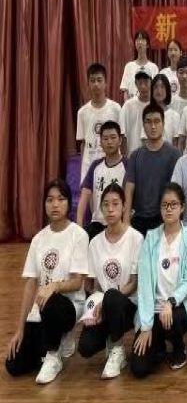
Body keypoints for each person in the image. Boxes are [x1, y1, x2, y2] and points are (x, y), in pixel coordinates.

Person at [5, 179, 89, 384]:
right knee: (14, 364)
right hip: (41, 308)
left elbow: (77, 283)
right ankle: (50, 346)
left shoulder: (78, 235)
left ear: (69, 203)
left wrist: (54, 286)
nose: (55, 204)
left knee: (52, 302)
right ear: (44, 204)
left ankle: (54, 354)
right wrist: (20, 329)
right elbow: (30, 285)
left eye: (61, 199)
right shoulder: (38, 239)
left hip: (70, 306)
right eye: (50, 200)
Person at [131, 183, 187, 376]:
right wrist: (146, 326)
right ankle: (158, 343)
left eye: (174, 204)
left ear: (182, 207)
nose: (169, 209)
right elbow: (144, 283)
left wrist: (170, 302)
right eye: (164, 205)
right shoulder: (151, 238)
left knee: (173, 318)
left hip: (177, 307)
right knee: (139, 368)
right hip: (153, 311)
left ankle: (179, 348)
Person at [78, 182, 143, 378]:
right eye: (105, 204)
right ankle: (110, 336)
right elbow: (95, 285)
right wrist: (94, 306)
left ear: (124, 207)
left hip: (128, 304)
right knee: (85, 347)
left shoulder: (136, 238)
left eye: (115, 204)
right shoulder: (95, 243)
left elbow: (134, 284)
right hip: (103, 306)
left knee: (113, 297)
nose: (110, 209)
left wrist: (107, 301)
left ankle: (118, 349)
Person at [124, 103, 182, 236]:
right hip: (138, 219)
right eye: (148, 122)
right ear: (143, 125)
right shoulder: (135, 155)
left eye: (157, 121)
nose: (153, 126)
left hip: (164, 218)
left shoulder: (174, 154)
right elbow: (129, 188)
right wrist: (126, 222)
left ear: (163, 124)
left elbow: (177, 191)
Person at [76, 121, 126, 240]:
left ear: (120, 140)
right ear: (101, 142)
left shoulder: (128, 165)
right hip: (97, 224)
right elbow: (84, 197)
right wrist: (78, 228)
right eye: (105, 138)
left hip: (120, 224)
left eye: (113, 138)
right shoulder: (95, 166)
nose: (109, 142)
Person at [76, 62, 121, 183]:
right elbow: (83, 143)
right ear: (88, 84)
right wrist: (83, 171)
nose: (96, 84)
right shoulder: (82, 112)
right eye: (92, 80)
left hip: (112, 167)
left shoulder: (116, 109)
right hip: (89, 168)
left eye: (99, 80)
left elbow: (121, 139)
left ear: (106, 83)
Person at [119, 30, 159, 101]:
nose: (140, 42)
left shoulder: (154, 67)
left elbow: (156, 90)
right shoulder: (129, 66)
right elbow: (125, 91)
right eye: (137, 40)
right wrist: (128, 105)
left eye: (142, 39)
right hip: (132, 105)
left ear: (147, 45)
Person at [120, 70, 151, 155]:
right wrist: (124, 156)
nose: (143, 86)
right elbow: (122, 133)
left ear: (151, 82)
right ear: (136, 84)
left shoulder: (155, 105)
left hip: (152, 155)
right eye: (140, 83)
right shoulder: (128, 105)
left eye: (146, 82)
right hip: (132, 154)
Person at [150, 73, 180, 145]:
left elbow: (175, 143)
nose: (159, 91)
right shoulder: (148, 114)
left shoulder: (174, 116)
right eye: (156, 87)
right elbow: (145, 140)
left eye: (162, 87)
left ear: (167, 90)